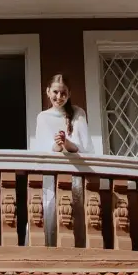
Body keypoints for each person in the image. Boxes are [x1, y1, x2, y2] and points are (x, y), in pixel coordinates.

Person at [32, 73, 91, 246]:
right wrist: (57, 145)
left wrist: (67, 143)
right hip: (52, 176)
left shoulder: (78, 114)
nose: (59, 97)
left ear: (69, 93)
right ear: (48, 92)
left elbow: (85, 147)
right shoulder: (42, 117)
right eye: (56, 92)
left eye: (63, 93)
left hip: (74, 174)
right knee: (50, 212)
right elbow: (41, 149)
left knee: (74, 213)